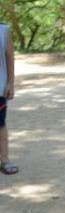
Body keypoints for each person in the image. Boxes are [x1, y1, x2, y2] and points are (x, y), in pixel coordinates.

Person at [0, 22, 17, 175]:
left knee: (0, 124)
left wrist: (10, 83)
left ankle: (4, 160)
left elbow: (9, 56)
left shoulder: (3, 30)